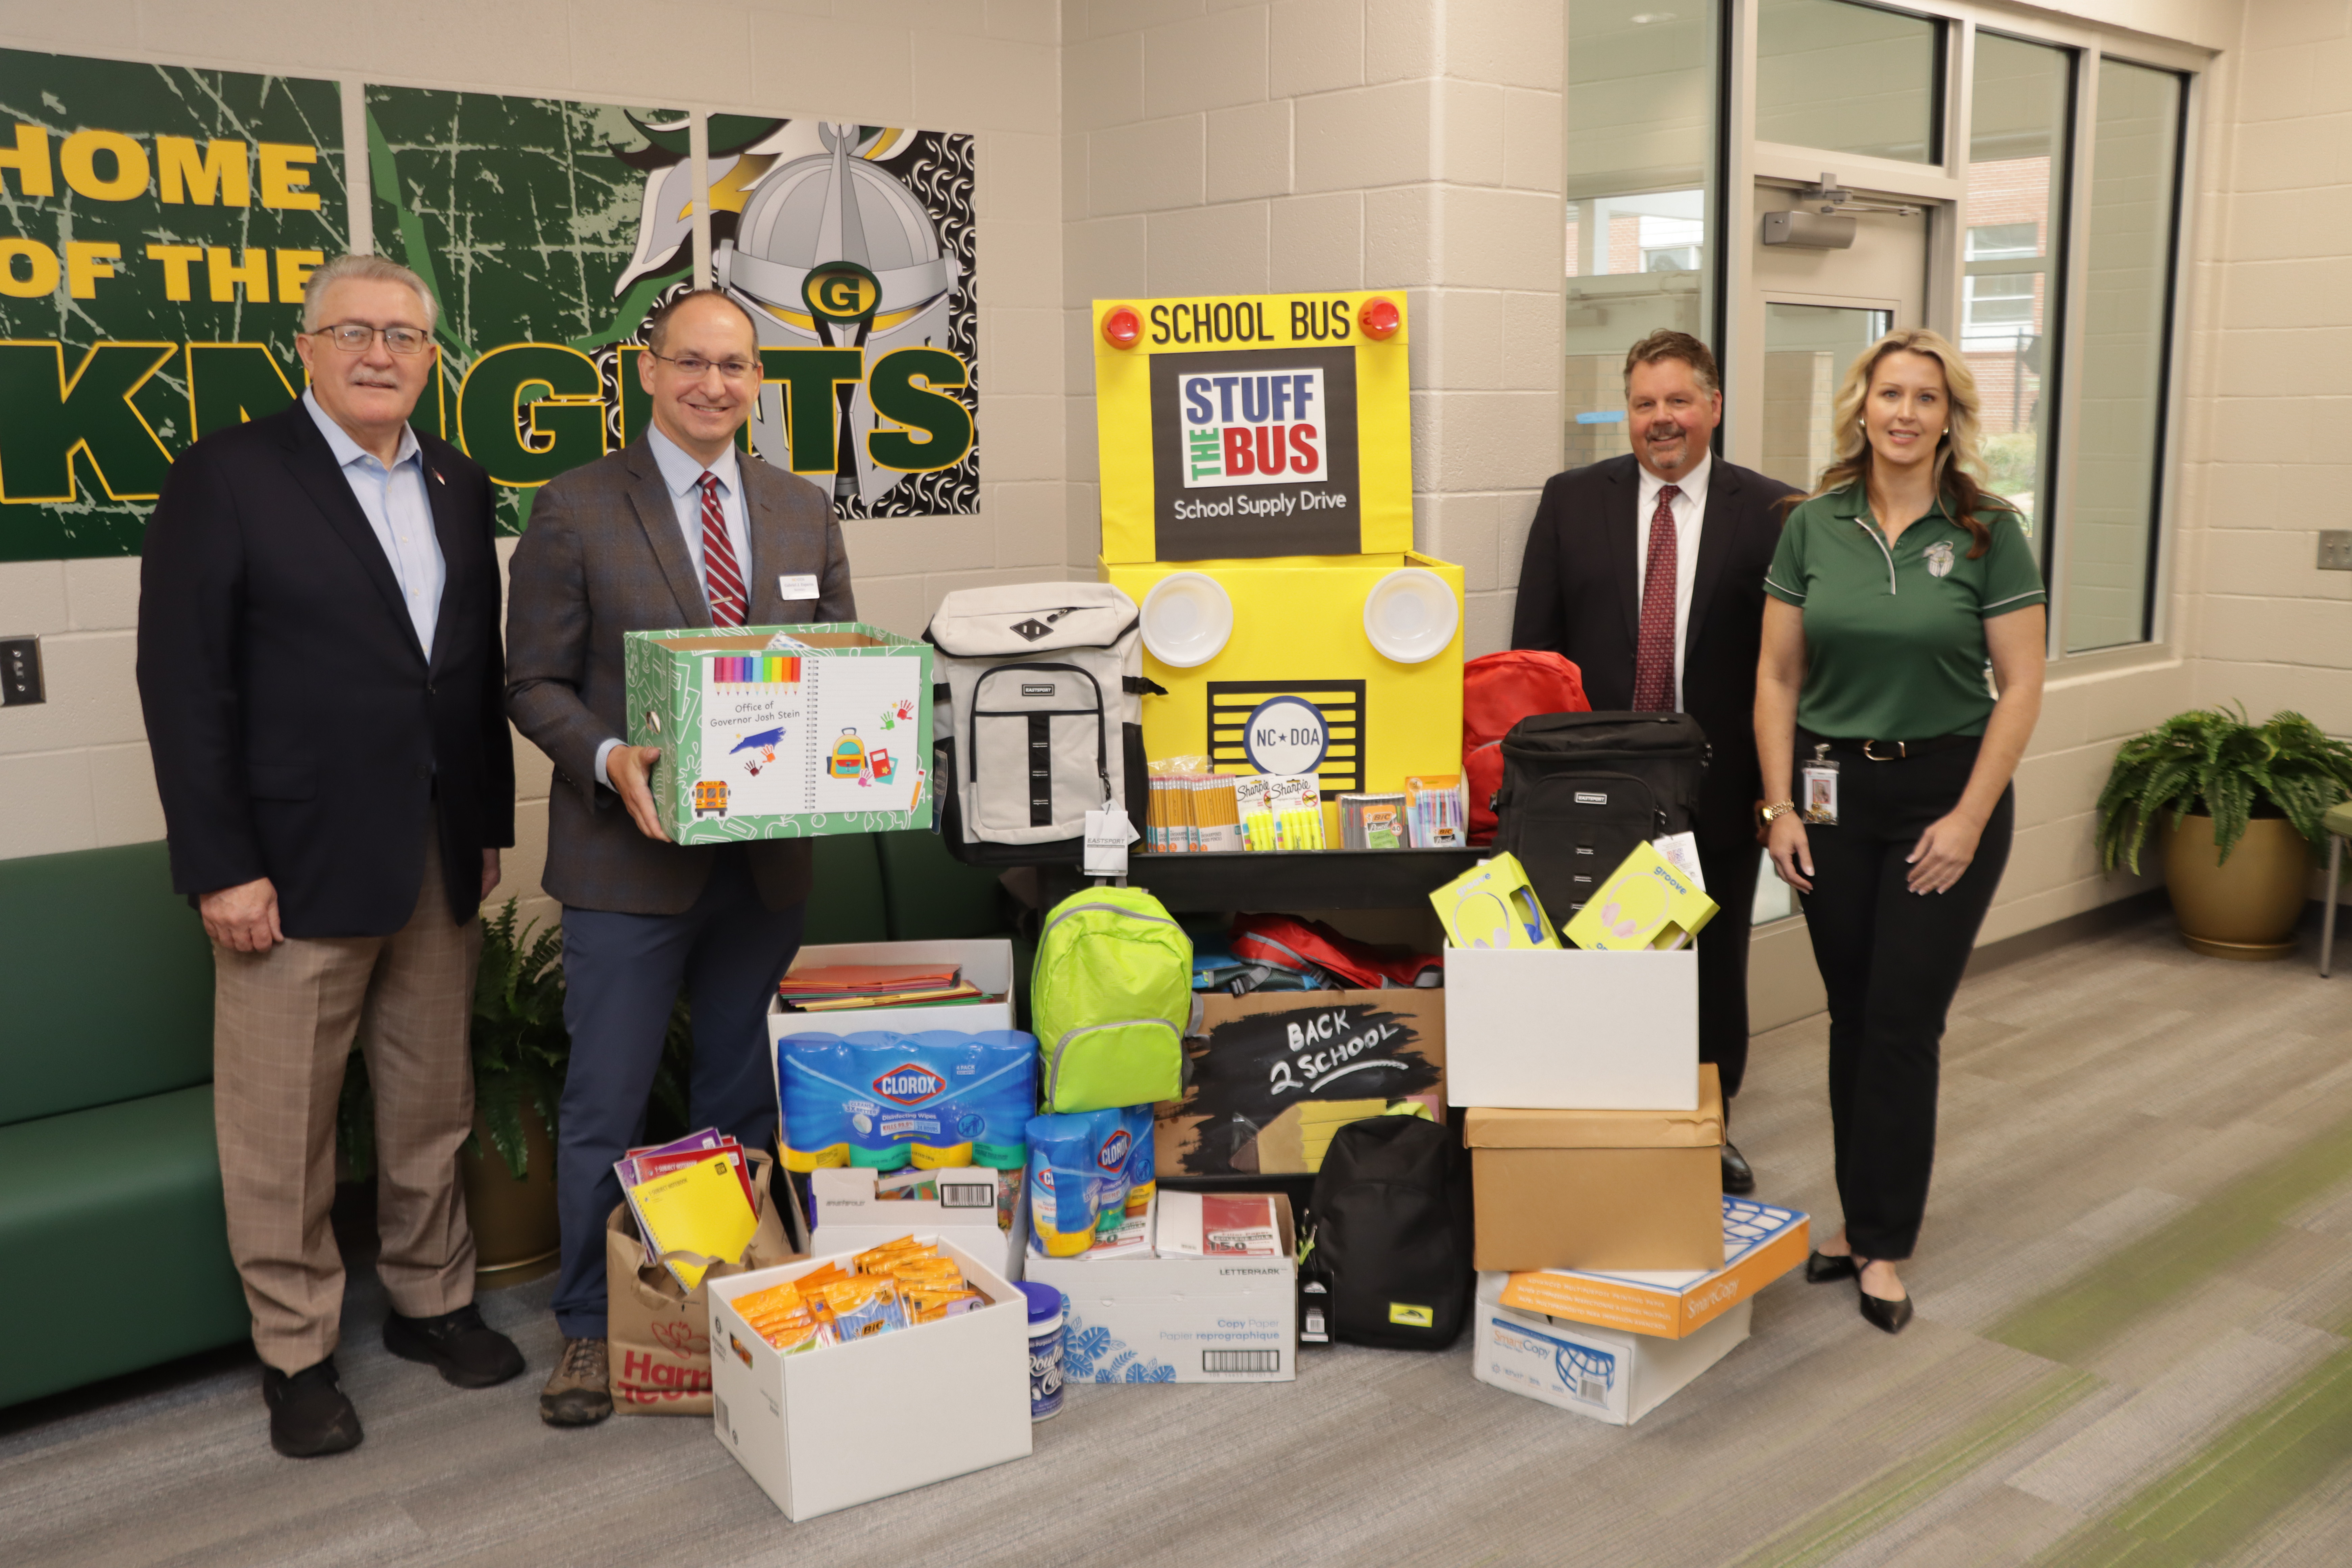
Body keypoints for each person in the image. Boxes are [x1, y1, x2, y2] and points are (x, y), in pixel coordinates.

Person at [136, 253, 524, 1458]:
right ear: (303, 348)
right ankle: (296, 1352)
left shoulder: (461, 481)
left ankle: (431, 1301)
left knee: (430, 1104)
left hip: (434, 846)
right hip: (288, 864)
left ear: (429, 356)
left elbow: (468, 670)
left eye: (403, 336)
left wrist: (489, 824)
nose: (378, 354)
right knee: (282, 1124)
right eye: (351, 331)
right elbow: (183, 682)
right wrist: (220, 864)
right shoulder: (230, 477)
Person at [506, 289, 855, 1427]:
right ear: (646, 371)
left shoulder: (802, 508)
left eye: (737, 367)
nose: (715, 384)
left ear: (759, 382)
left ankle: (717, 1300)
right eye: (692, 363)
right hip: (629, 867)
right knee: (606, 1105)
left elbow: (840, 661)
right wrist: (609, 758)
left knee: (736, 1097)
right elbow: (532, 685)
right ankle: (588, 1327)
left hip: (764, 870)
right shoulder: (574, 509)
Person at [1756, 327, 2046, 1335]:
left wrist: (1968, 817)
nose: (1907, 413)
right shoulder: (1812, 525)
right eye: (1892, 394)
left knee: (1902, 1022)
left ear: (1951, 418)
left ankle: (1886, 1242)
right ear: (1863, 407)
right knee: (1852, 1013)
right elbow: (1779, 678)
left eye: (1928, 398)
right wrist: (1778, 805)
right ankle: (1859, 1214)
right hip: (1832, 793)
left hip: (1946, 793)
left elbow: (2021, 688)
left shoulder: (1988, 531)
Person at [1512, 329, 1800, 1194]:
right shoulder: (1571, 501)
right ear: (1627, 412)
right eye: (1645, 404)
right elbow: (1536, 656)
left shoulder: (1776, 512)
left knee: (1709, 961)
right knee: (1595, 952)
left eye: (1679, 401)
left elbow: (1787, 666)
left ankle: (1708, 1124)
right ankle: (1603, 1120)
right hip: (1591, 785)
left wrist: (1778, 794)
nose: (1661, 419)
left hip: (1718, 783)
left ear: (1713, 407)